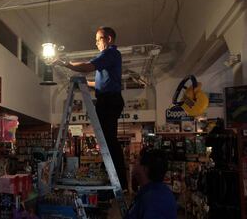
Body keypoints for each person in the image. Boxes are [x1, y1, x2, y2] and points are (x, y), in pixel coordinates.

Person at [64, 26, 127, 189]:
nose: (96, 42)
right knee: (107, 140)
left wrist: (66, 64)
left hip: (109, 100)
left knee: (109, 141)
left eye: (99, 39)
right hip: (108, 99)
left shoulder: (110, 53)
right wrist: (86, 84)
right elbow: (100, 83)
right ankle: (113, 175)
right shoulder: (110, 56)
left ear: (109, 39)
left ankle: (118, 179)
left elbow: (87, 66)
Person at [126, 148, 177, 219]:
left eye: (136, 161)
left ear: (145, 168)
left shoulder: (155, 201)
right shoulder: (150, 191)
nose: (133, 164)